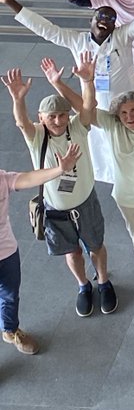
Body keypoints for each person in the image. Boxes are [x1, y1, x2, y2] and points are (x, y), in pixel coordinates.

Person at [0, 0, 134, 178]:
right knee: (105, 146)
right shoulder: (77, 41)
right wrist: (11, 2)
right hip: (97, 105)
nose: (106, 21)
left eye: (111, 19)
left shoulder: (123, 35)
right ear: (91, 20)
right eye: (101, 17)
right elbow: (46, 29)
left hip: (129, 101)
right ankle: (115, 177)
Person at [55, 55, 134, 298]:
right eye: (124, 112)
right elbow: (84, 108)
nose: (128, 116)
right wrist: (61, 83)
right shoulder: (113, 125)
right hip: (128, 199)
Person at [2, 60, 117, 318]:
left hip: (85, 202)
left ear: (68, 116)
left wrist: (87, 82)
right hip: (56, 210)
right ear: (41, 118)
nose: (57, 120)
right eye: (51, 117)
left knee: (96, 245)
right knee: (72, 251)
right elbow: (21, 122)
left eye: (62, 115)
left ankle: (103, 281)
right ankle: (83, 285)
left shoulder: (77, 126)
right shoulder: (37, 137)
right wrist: (18, 99)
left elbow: (87, 108)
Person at [0, 132, 81, 355]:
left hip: (6, 252)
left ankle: (10, 330)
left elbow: (28, 178)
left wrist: (60, 169)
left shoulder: (1, 179)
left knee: (10, 293)